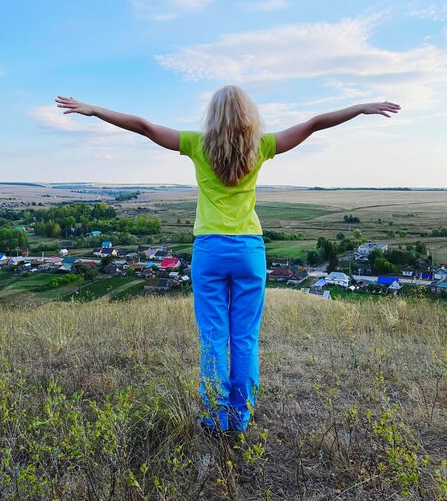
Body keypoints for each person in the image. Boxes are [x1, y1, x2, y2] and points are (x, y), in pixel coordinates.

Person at [55, 88, 400, 433]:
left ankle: (215, 418)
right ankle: (241, 417)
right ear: (248, 115)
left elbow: (144, 126)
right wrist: (360, 108)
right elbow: (314, 124)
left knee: (213, 337)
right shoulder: (261, 146)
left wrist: (94, 110)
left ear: (213, 115)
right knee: (245, 337)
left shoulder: (196, 143)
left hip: (210, 251)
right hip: (249, 250)